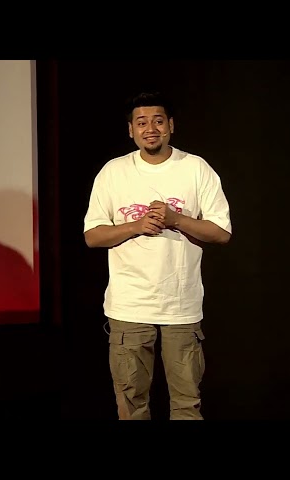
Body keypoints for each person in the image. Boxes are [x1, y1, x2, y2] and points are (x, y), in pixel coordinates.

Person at [83, 91, 232, 420]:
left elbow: (221, 232)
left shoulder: (195, 168)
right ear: (131, 130)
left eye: (158, 121)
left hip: (181, 306)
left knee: (187, 404)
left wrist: (176, 219)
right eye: (141, 122)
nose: (150, 128)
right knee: (131, 405)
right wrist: (136, 225)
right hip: (129, 305)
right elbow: (92, 236)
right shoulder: (114, 172)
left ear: (171, 125)